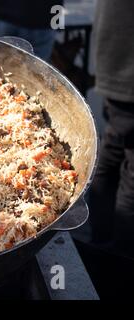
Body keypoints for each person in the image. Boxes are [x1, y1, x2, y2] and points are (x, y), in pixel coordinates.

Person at [88, 0, 134, 256]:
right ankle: (121, 256)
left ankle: (100, 241)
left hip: (114, 60)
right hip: (126, 70)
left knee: (115, 144)